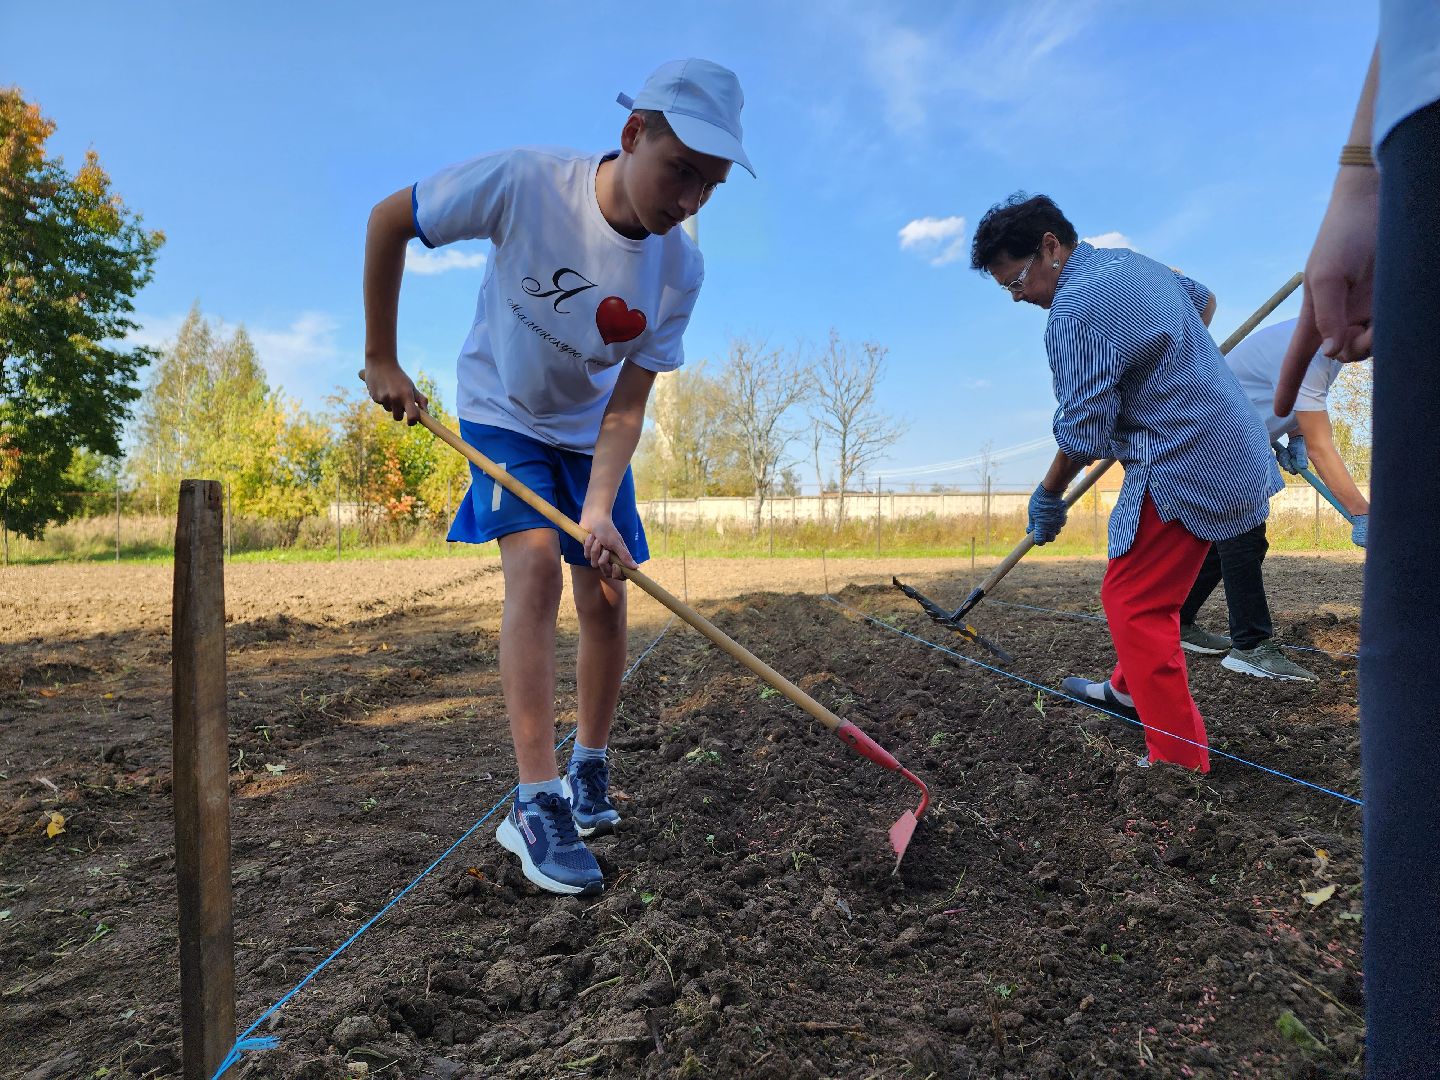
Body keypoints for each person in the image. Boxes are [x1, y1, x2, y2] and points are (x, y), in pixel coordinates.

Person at [360, 60, 754, 896]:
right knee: (536, 567)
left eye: (710, 186)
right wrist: (380, 356)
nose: (690, 200)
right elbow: (389, 220)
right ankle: (536, 801)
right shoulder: (527, 183)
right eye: (680, 170)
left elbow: (629, 403)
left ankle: (589, 767)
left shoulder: (680, 271)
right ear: (633, 133)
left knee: (606, 592)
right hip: (501, 410)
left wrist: (601, 506)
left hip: (590, 433)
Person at [970, 194, 1282, 772]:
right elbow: (1203, 300)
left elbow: (1084, 430)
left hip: (1188, 462)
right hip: (1234, 441)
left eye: (1016, 281)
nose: (1018, 297)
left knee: (1133, 603)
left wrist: (1049, 493)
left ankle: (1178, 762)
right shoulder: (1130, 263)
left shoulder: (1073, 312)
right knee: (1152, 591)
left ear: (1050, 247)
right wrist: (1169, 366)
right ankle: (1127, 689)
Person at [1274, 6, 1440, 1073]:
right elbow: (1298, 414)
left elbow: (1311, 420)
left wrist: (1360, 507)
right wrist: (1360, 181)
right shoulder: (1316, 334)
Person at [1178, 316, 1369, 681]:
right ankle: (1250, 647)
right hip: (1218, 435)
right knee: (1244, 538)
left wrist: (1295, 437)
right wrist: (1362, 513)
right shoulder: (1314, 350)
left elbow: (1292, 399)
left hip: (1234, 432)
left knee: (1229, 542)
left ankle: (1179, 620)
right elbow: (1322, 447)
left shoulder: (1328, 345)